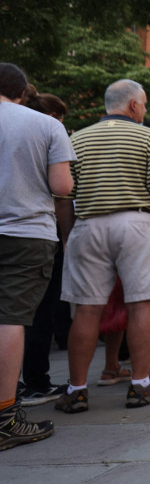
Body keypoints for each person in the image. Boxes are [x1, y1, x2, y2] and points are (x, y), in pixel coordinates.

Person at [54, 80, 150, 413]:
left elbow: (64, 197)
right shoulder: (148, 137)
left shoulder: (77, 138)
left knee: (86, 309)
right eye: (143, 104)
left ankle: (77, 389)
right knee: (141, 305)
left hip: (88, 224)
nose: (144, 110)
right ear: (133, 106)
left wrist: (69, 237)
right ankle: (141, 384)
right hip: (137, 224)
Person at [0, 64, 73, 449]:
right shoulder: (45, 125)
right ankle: (5, 416)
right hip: (25, 231)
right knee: (10, 319)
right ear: (23, 89)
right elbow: (62, 186)